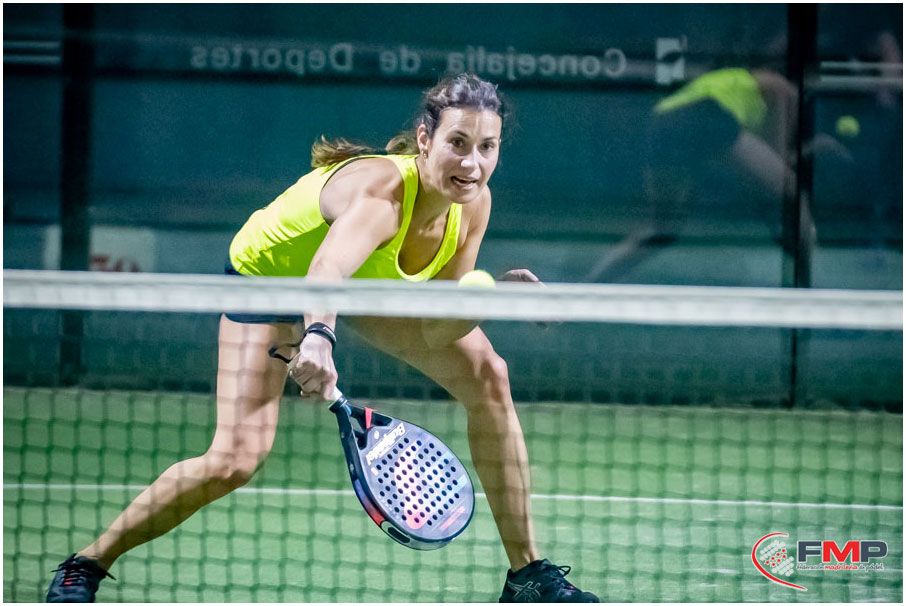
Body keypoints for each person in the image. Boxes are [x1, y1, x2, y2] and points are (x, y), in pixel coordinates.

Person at [45, 74, 599, 603]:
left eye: (486, 147)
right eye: (458, 143)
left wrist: (491, 300)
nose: (471, 163)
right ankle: (87, 563)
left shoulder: (472, 203)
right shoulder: (383, 194)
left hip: (360, 287)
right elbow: (326, 270)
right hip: (272, 280)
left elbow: (436, 324)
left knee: (488, 373)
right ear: (426, 139)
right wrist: (316, 336)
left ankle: (527, 575)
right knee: (234, 459)